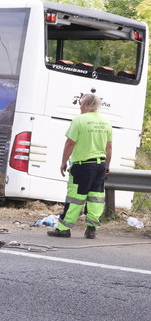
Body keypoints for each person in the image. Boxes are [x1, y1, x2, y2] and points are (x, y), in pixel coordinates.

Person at [49, 92, 112, 239]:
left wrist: (63, 161)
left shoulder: (79, 120)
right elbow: (109, 147)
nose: (79, 107)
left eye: (80, 104)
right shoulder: (106, 122)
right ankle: (91, 229)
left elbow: (70, 143)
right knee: (95, 198)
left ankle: (63, 229)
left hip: (83, 166)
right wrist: (107, 164)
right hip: (100, 165)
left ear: (86, 105)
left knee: (75, 198)